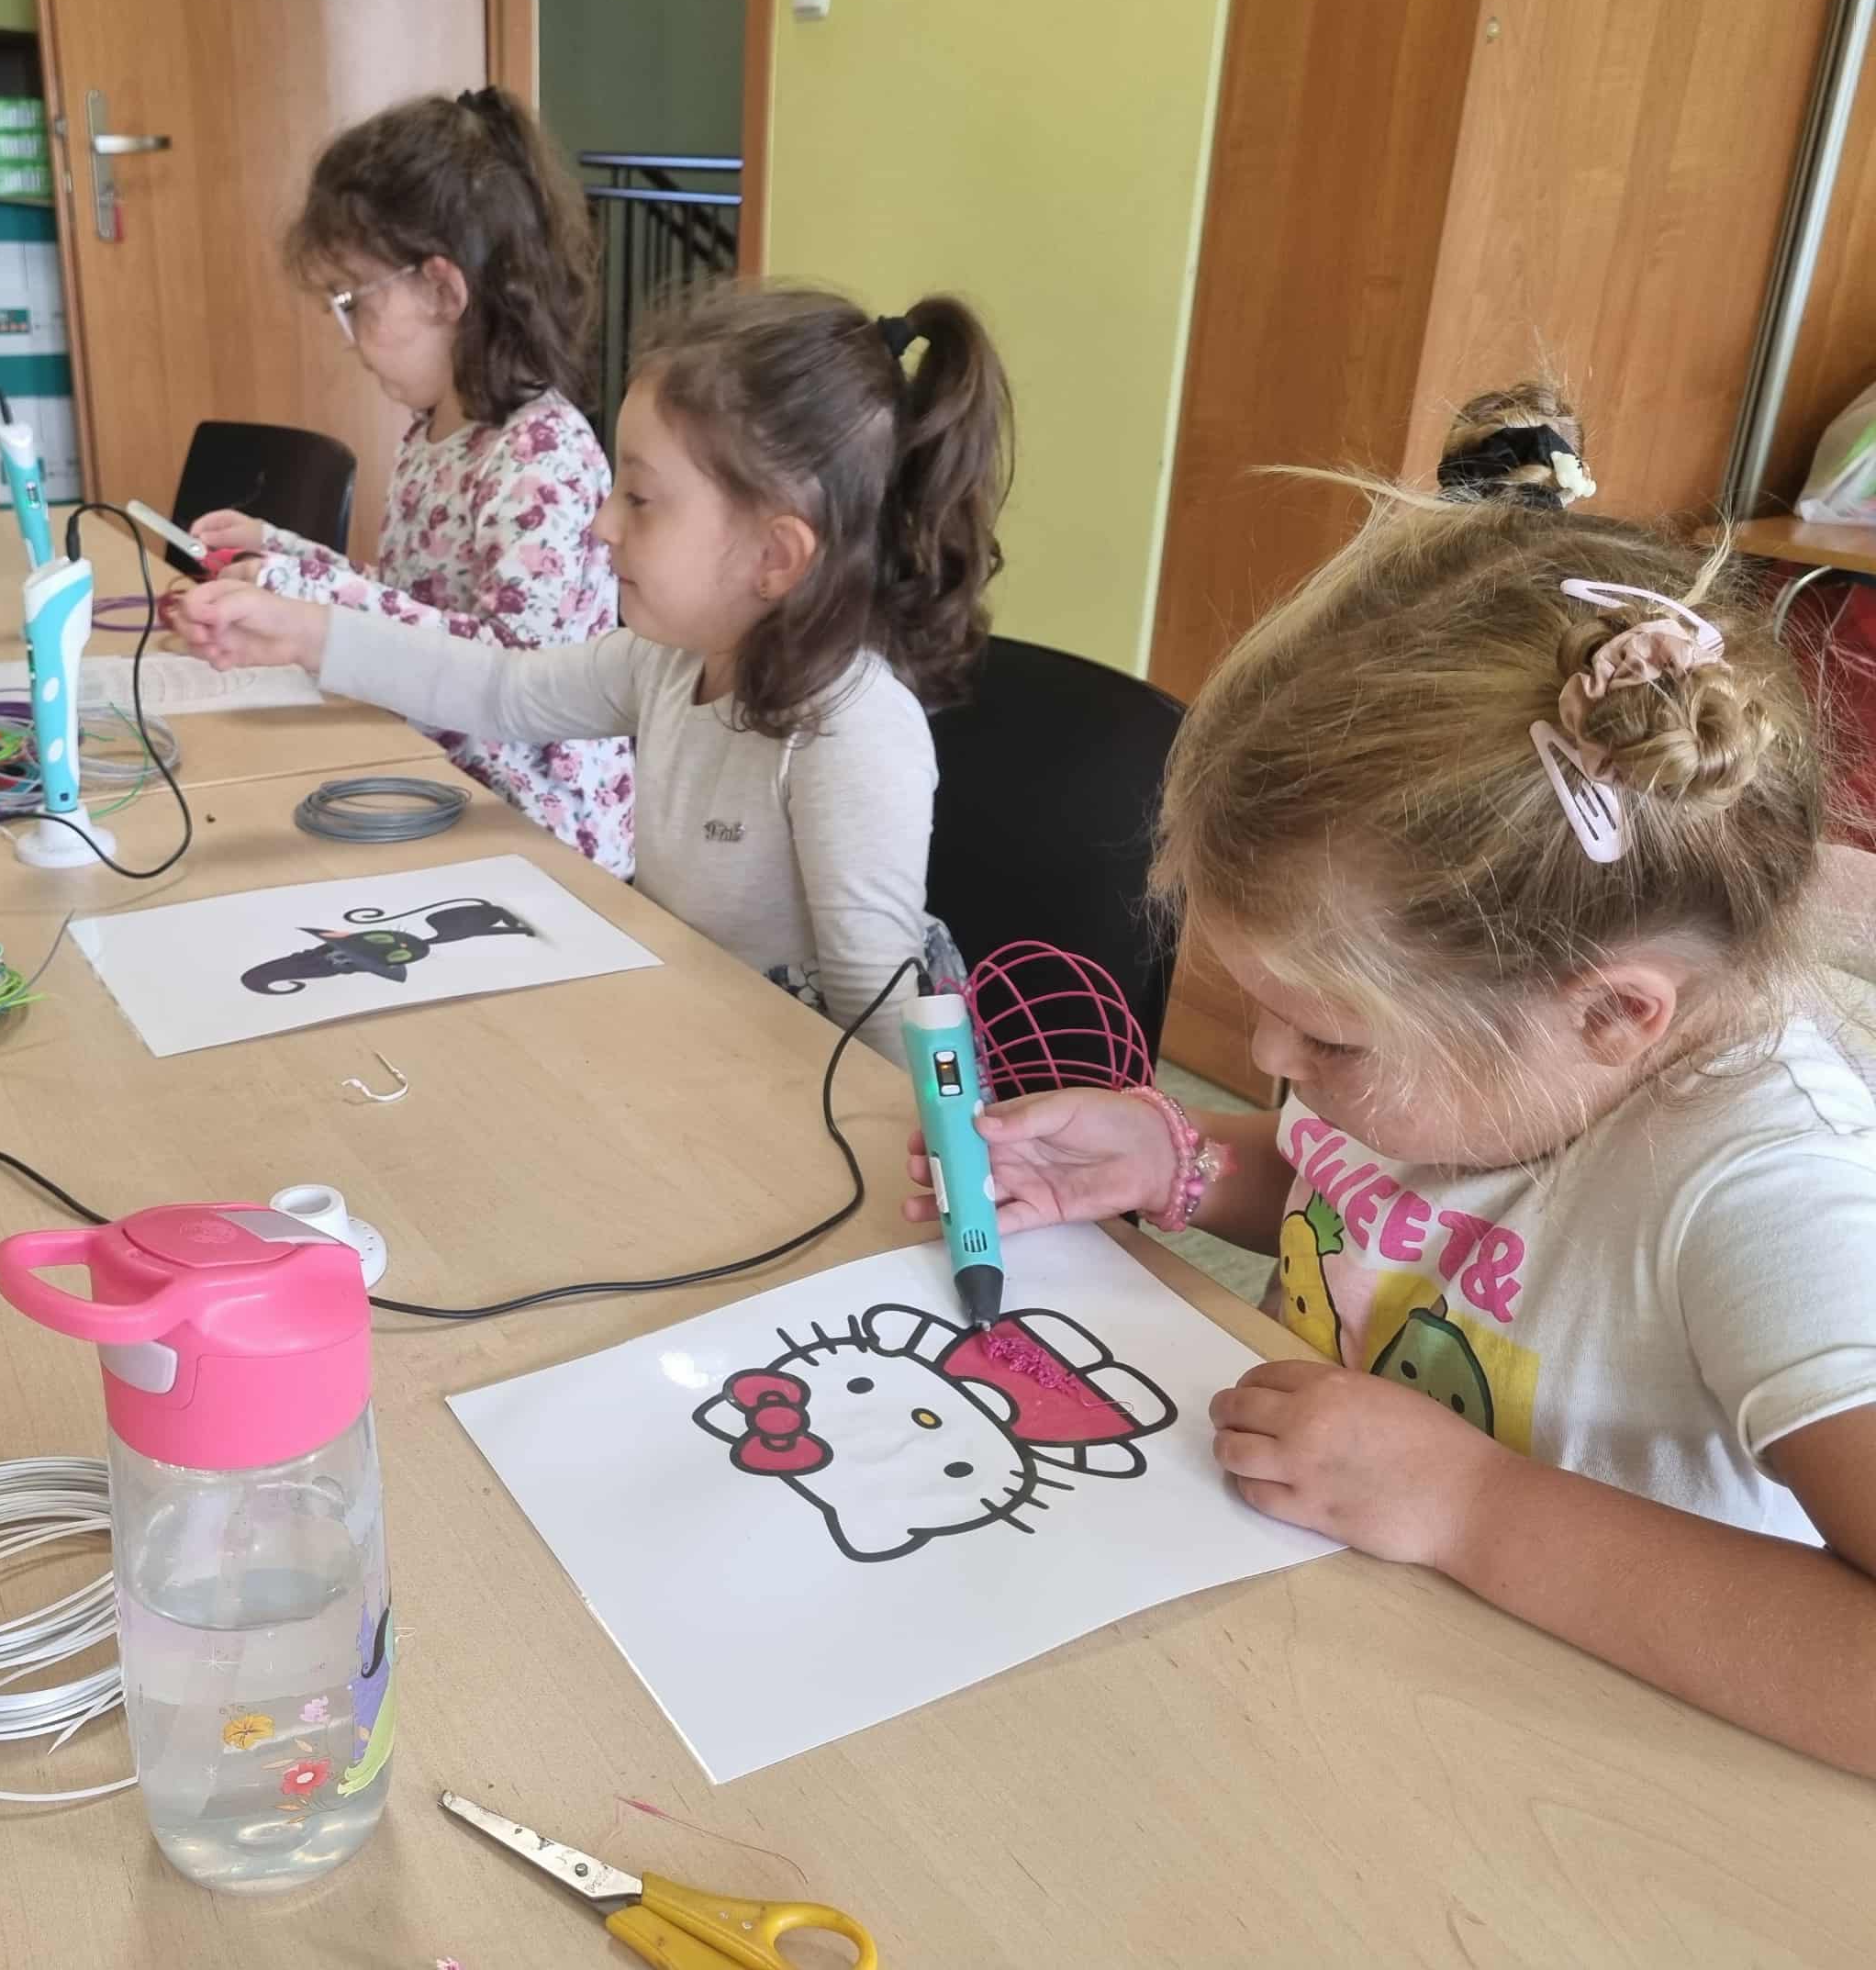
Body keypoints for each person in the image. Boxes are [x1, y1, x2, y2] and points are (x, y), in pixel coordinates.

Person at [906, 387, 1876, 1773]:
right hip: (1332, 1667)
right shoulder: (1487, 1065)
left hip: (1573, 1773)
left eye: (1330, 1043)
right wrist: (1182, 1161)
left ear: (1610, 1014)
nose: (1271, 1063)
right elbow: (1386, 1213)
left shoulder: (1772, 1198)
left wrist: (1475, 1507)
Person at [173, 281, 1013, 1053]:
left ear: (775, 556)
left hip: (794, 1085)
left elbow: (885, 1029)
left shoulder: (853, 729)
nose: (602, 526)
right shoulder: (668, 661)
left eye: (638, 499)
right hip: (692, 1033)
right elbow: (500, 689)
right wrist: (305, 633)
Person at [193, 85, 630, 873]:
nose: (347, 338)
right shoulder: (433, 433)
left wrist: (304, 597)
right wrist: (283, 551)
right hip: (435, 784)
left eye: (352, 303)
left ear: (442, 289)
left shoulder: (541, 456)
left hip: (539, 833)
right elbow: (411, 607)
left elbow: (510, 679)